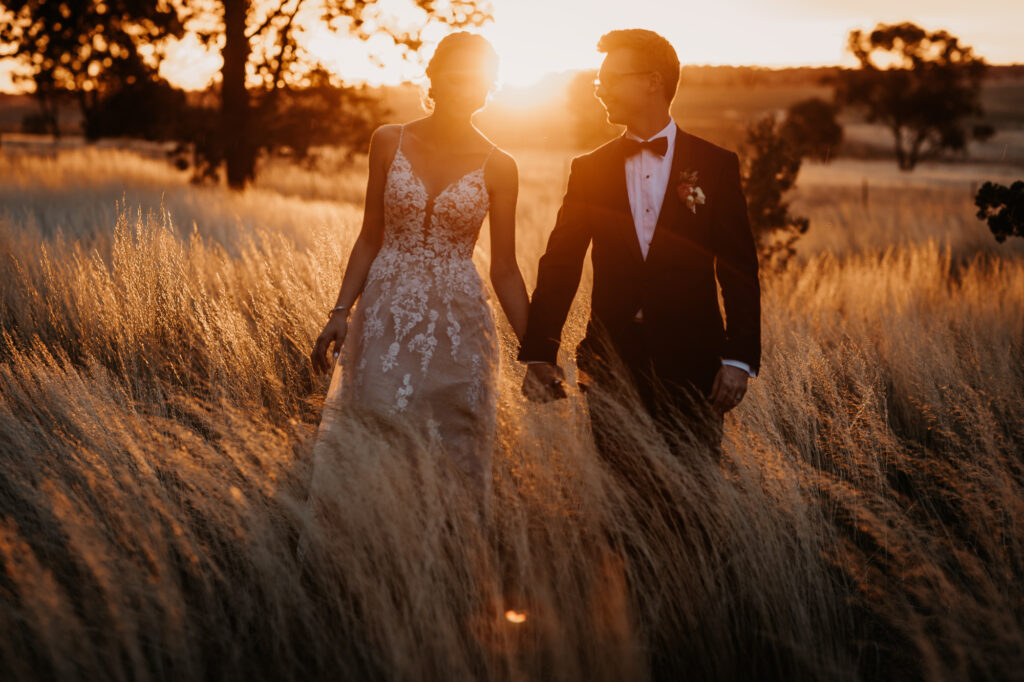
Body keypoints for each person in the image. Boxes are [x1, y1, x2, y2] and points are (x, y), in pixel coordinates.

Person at [520, 27, 761, 467]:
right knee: (623, 494)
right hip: (610, 363)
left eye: (610, 79)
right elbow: (561, 263)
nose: (600, 90)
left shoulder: (715, 165)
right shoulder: (589, 169)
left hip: (695, 364)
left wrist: (739, 359)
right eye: (598, 80)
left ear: (652, 81)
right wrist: (540, 352)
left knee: (693, 492)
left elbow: (738, 268)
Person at [308, 32, 528, 496]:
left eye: (479, 80)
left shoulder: (500, 166)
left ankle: (441, 540)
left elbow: (505, 268)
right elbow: (370, 236)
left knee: (451, 450)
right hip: (383, 315)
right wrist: (341, 311)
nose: (467, 88)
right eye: (457, 77)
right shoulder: (389, 141)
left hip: (459, 326)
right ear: (434, 76)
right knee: (374, 433)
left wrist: (537, 352)